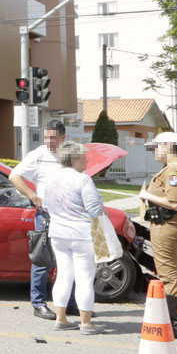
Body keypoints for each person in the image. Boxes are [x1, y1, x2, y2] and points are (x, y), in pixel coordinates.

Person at [45, 141, 107, 334]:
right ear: (74, 160)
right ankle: (86, 323)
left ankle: (61, 319)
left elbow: (46, 206)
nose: (87, 162)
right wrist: (100, 200)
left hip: (58, 233)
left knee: (63, 275)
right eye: (83, 158)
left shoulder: (51, 179)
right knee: (84, 278)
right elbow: (94, 209)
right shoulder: (83, 180)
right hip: (81, 234)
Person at [9, 120, 68, 320]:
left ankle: (70, 303)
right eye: (46, 137)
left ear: (63, 137)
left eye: (53, 137)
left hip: (68, 214)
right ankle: (39, 303)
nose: (49, 141)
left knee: (68, 259)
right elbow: (14, 176)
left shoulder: (70, 154)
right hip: (46, 214)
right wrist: (33, 196)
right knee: (41, 258)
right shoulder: (38, 155)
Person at [139, 132, 177, 337]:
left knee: (170, 276)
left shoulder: (174, 170)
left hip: (167, 224)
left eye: (156, 147)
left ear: (169, 146)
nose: (154, 151)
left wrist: (146, 195)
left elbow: (174, 202)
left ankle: (176, 324)